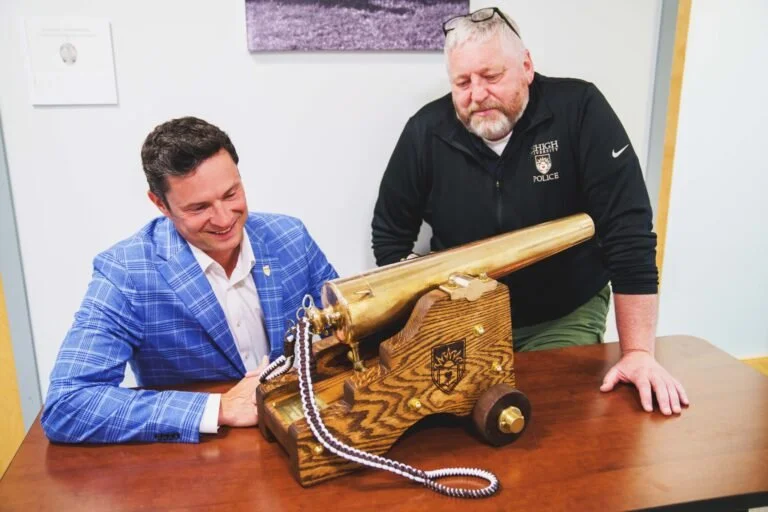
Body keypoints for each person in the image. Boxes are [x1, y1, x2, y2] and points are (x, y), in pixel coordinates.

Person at [371, 7, 688, 416]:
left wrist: (640, 351)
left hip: (562, 310)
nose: (477, 94)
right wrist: (428, 314)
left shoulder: (580, 109)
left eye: (491, 76)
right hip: (464, 320)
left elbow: (627, 230)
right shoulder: (425, 131)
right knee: (453, 422)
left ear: (527, 66)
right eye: (462, 82)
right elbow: (390, 236)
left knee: (552, 416)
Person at [42, 117, 338, 443]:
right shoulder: (127, 272)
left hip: (304, 433)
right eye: (199, 208)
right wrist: (219, 407)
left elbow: (349, 331)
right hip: (204, 461)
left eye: (231, 194)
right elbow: (67, 404)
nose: (224, 219)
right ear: (160, 204)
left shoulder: (290, 237)